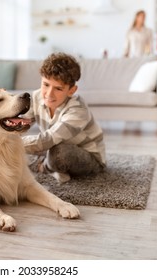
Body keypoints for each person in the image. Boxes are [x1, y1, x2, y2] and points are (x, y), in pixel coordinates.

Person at [22, 52, 106, 184]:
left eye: (58, 88)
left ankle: (44, 166)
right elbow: (20, 125)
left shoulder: (78, 109)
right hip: (52, 146)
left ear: (72, 90)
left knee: (60, 153)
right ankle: (53, 168)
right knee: (26, 147)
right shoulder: (36, 97)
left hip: (87, 156)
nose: (49, 94)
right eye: (46, 84)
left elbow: (49, 139)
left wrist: (12, 144)